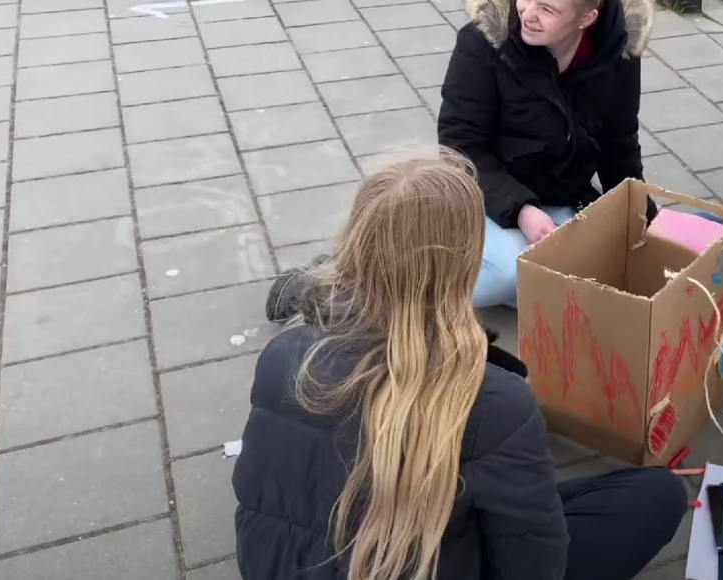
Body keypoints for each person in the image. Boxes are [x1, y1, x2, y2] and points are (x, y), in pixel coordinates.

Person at [233, 150, 688, 580]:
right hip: (416, 548)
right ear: (463, 266)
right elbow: (535, 569)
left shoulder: (283, 356)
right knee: (657, 494)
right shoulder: (494, 407)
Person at [439, 0, 658, 309]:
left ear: (587, 18)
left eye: (547, 9)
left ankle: (538, 289)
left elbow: (619, 145)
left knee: (600, 270)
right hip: (488, 198)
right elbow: (459, 146)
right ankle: (419, 279)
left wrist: (644, 220)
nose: (527, 13)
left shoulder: (618, 53)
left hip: (562, 198)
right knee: (508, 273)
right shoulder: (483, 43)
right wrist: (520, 209)